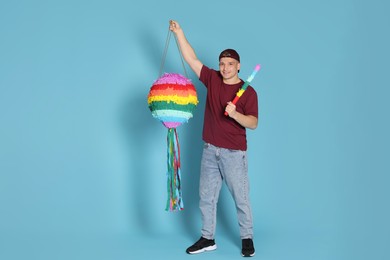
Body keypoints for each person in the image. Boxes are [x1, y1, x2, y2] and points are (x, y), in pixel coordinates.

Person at [169, 20, 258, 257]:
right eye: (222, 63)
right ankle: (207, 238)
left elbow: (254, 123)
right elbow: (192, 59)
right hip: (210, 150)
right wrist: (179, 33)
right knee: (206, 198)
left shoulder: (249, 93)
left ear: (238, 66)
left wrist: (236, 114)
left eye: (230, 64)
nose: (225, 67)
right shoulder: (212, 79)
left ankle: (247, 238)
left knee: (241, 198)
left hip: (234, 154)